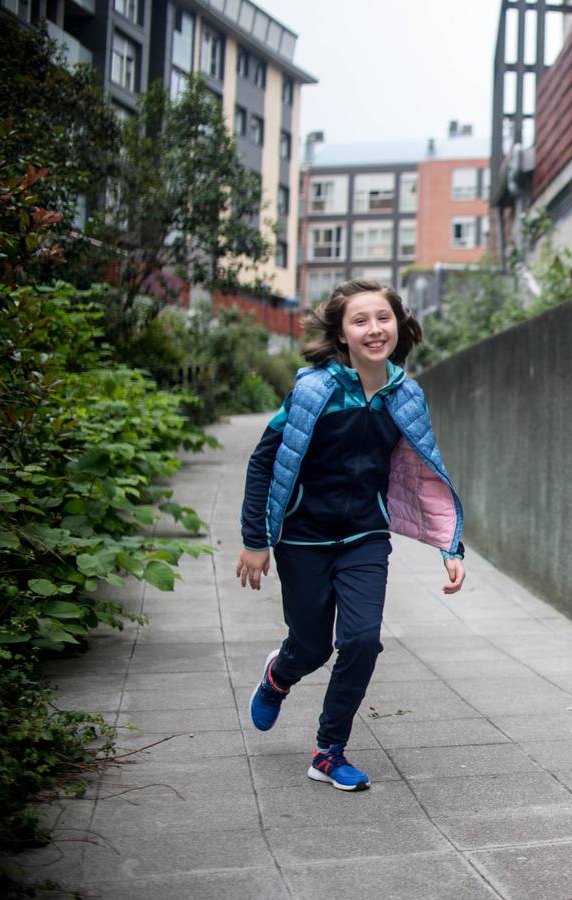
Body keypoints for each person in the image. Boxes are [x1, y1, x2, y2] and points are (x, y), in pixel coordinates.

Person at [235, 279, 465, 791]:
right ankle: (278, 676)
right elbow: (263, 461)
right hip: (303, 539)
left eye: (383, 318)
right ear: (342, 334)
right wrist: (255, 540)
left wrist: (449, 545)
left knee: (362, 641)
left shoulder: (405, 395)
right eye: (360, 320)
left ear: (399, 326)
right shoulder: (313, 391)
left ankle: (328, 752)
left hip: (365, 537)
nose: (374, 329)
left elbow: (425, 472)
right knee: (311, 648)